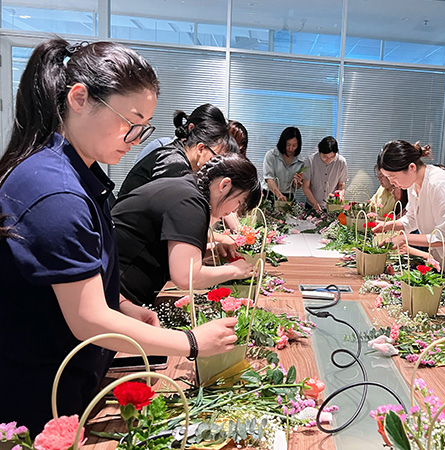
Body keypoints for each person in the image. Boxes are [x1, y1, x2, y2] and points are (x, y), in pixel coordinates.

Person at [0, 38, 240, 435]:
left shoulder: (69, 171)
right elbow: (88, 319)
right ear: (80, 98)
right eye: (131, 122)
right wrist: (191, 342)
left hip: (67, 384)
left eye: (144, 127)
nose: (135, 137)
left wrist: (121, 303)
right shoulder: (55, 191)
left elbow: (69, 279)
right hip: (35, 401)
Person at [113, 154, 261, 307]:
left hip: (119, 289)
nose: (233, 211)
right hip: (118, 293)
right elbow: (186, 276)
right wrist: (234, 270)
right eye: (239, 202)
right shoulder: (190, 203)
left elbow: (170, 251)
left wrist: (209, 252)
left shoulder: (187, 190)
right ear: (224, 185)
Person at [371, 140, 445, 275]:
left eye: (393, 177)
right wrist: (388, 225)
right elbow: (412, 218)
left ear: (412, 167)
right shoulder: (414, 182)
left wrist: (403, 239)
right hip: (439, 260)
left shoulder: (439, 184)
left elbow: (444, 238)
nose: (391, 182)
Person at [118, 104, 232, 197]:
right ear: (201, 148)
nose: (216, 164)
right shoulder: (174, 163)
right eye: (216, 157)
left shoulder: (179, 154)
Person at [303, 136, 348, 211]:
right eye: (325, 157)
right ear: (319, 150)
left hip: (332, 206)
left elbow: (341, 184)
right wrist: (315, 204)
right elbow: (305, 187)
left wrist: (340, 195)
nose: (328, 160)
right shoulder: (310, 161)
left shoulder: (341, 162)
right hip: (312, 205)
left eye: (332, 157)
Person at [263, 126, 304, 204]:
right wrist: (279, 195)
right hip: (270, 194)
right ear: (283, 142)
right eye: (288, 145)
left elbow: (297, 186)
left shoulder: (300, 161)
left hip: (288, 197)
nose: (291, 148)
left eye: (294, 145)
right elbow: (268, 178)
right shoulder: (271, 155)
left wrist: (297, 183)